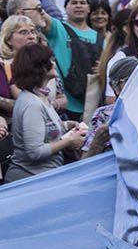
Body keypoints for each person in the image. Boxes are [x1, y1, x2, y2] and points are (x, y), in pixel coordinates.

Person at [6, 44, 85, 182]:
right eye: (49, 60)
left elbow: (44, 129)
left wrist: (66, 126)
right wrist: (69, 141)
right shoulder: (32, 104)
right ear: (39, 68)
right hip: (30, 181)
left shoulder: (40, 97)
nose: (53, 63)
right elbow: (35, 152)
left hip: (43, 178)